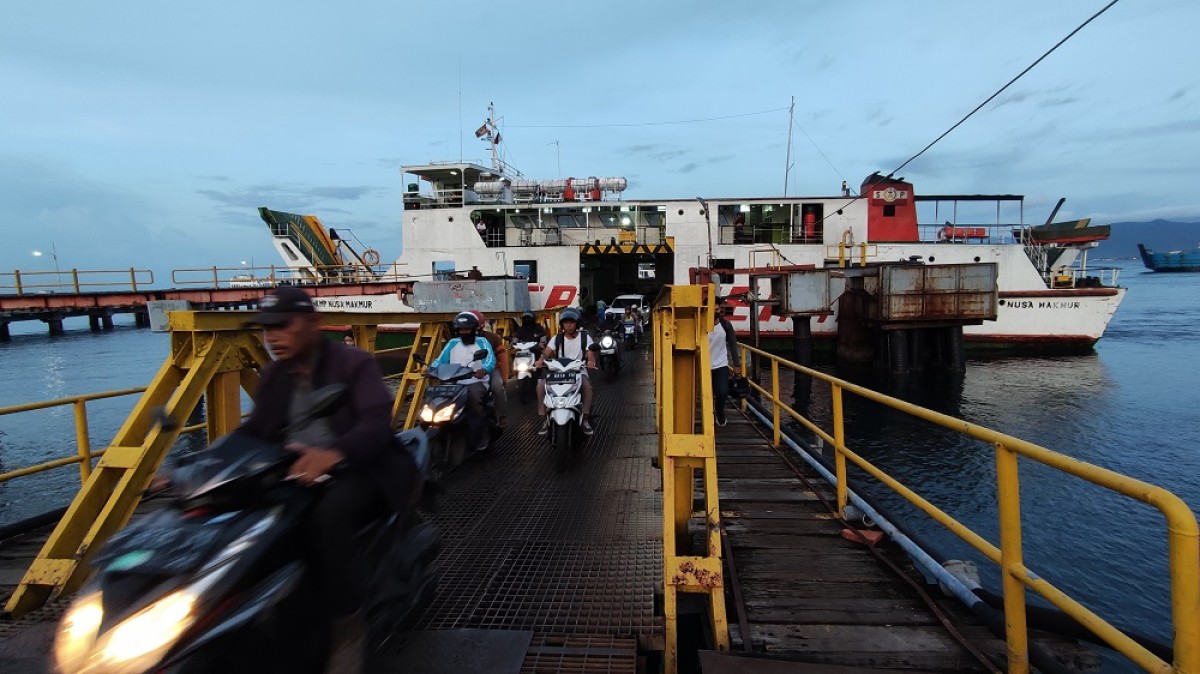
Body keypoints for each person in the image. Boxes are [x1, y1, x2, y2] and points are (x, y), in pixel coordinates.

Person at [242, 286, 418, 673]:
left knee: (328, 517)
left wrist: (334, 453)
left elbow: (376, 422)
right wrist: (196, 467)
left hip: (364, 467)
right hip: (297, 473)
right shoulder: (275, 376)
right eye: (266, 328)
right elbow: (254, 433)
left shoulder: (353, 364)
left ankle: (346, 623)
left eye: (283, 326)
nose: (272, 337)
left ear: (313, 324)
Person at [431, 311, 496, 450]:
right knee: (434, 400)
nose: (464, 332)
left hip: (475, 382)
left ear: (474, 329)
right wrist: (430, 369)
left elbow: (490, 359)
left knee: (474, 402)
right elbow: (440, 360)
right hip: (454, 382)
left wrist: (484, 369)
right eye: (461, 329)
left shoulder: (482, 342)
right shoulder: (452, 343)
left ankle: (480, 435)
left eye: (467, 329)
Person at [535, 308, 597, 436]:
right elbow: (547, 352)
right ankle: (544, 418)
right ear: (562, 324)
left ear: (577, 324)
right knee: (541, 386)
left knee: (587, 388)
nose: (569, 325)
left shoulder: (585, 337)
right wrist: (540, 360)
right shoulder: (557, 338)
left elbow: (590, 352)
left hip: (578, 371)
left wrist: (590, 361)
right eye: (566, 322)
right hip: (558, 371)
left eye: (572, 322)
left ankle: (585, 418)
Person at [469, 309, 508, 429]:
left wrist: (504, 378)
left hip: (491, 370)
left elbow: (503, 359)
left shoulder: (492, 338)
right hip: (468, 371)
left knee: (497, 387)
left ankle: (500, 416)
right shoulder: (458, 341)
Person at [709, 298, 741, 427]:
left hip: (720, 364)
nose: (716, 312)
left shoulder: (726, 325)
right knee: (706, 393)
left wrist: (736, 365)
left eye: (718, 309)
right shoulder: (700, 325)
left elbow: (733, 345)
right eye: (714, 309)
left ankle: (719, 412)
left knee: (722, 392)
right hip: (704, 365)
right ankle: (708, 416)